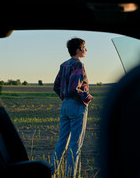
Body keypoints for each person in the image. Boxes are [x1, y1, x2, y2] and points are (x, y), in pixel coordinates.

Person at [50, 37, 93, 178]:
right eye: (84, 47)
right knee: (75, 145)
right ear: (78, 50)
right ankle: (70, 175)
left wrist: (65, 99)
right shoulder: (78, 65)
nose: (86, 50)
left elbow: (56, 86)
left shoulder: (63, 65)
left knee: (62, 142)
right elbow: (75, 88)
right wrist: (86, 97)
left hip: (65, 105)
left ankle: (52, 173)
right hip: (76, 105)